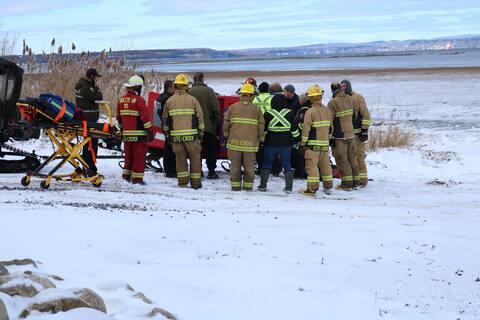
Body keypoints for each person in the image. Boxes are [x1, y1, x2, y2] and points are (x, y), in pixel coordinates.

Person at [163, 73, 204, 189]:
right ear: (186, 86)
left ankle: (182, 182)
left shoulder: (169, 101)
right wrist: (201, 132)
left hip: (176, 138)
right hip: (192, 136)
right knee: (195, 159)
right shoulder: (193, 100)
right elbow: (200, 117)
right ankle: (196, 183)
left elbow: (165, 120)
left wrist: (167, 133)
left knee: (180, 160)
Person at [223, 83, 264, 191]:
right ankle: (248, 187)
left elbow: (226, 124)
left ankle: (235, 187)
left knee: (235, 167)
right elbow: (261, 126)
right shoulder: (257, 109)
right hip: (250, 146)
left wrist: (226, 135)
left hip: (234, 144)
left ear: (241, 94)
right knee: (249, 168)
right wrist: (261, 139)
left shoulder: (232, 107)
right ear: (252, 95)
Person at [258, 94, 300, 193]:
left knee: (267, 164)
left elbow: (263, 130)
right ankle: (288, 188)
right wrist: (297, 139)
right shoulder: (289, 113)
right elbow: (294, 129)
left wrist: (262, 140)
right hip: (286, 143)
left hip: (270, 143)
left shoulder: (268, 114)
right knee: (287, 165)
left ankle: (263, 186)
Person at [116, 75, 153, 184]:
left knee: (128, 156)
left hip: (127, 135)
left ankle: (126, 175)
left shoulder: (121, 100)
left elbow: (119, 118)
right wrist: (149, 130)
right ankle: (137, 179)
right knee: (139, 158)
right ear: (137, 87)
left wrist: (122, 131)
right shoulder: (139, 100)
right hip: (139, 135)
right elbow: (145, 118)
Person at [299, 85, 333, 196]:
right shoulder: (327, 111)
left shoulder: (310, 112)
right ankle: (328, 187)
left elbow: (306, 130)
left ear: (311, 97)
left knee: (311, 166)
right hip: (324, 145)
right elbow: (331, 128)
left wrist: (303, 144)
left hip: (312, 145)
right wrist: (327, 140)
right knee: (325, 166)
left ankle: (312, 189)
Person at [188, 72, 221, 179]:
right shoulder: (209, 91)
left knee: (196, 151)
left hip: (193, 128)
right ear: (202, 79)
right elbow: (216, 109)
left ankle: (198, 171)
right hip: (208, 127)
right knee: (211, 150)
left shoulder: (189, 92)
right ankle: (211, 171)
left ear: (194, 80)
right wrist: (215, 123)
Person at [327, 81, 359, 190]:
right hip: (351, 134)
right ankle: (356, 181)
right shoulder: (350, 99)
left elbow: (329, 122)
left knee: (342, 160)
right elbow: (355, 115)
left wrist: (329, 137)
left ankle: (346, 183)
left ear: (332, 90)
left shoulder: (332, 103)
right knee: (352, 159)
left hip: (340, 136)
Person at [341, 79, 371, 187]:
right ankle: (354, 178)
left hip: (358, 134)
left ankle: (363, 179)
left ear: (349, 86)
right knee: (349, 157)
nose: (343, 88)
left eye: (344, 86)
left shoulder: (358, 97)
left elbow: (366, 114)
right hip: (346, 135)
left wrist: (364, 130)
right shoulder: (340, 99)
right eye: (341, 86)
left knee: (359, 156)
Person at [74, 68, 103, 176]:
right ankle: (89, 168)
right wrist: (97, 91)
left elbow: (98, 95)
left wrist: (96, 90)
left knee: (91, 143)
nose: (96, 80)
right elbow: (97, 97)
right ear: (91, 77)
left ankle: (88, 167)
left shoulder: (88, 87)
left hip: (91, 119)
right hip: (87, 120)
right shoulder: (84, 88)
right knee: (89, 144)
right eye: (95, 77)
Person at [154, 80, 176, 178]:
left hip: (164, 125)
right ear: (169, 88)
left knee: (167, 147)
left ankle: (168, 170)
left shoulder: (160, 97)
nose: (175, 90)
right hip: (169, 126)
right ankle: (171, 170)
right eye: (173, 87)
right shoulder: (168, 99)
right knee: (170, 149)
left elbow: (159, 113)